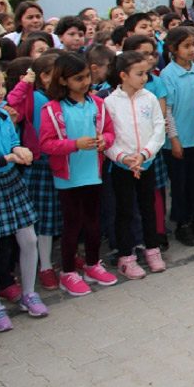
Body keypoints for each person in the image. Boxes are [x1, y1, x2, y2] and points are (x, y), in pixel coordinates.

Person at [39, 53, 118, 296]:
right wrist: (74, 144)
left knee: (93, 223)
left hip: (93, 173)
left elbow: (109, 132)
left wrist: (103, 141)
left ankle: (93, 264)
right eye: (78, 78)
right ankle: (68, 272)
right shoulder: (52, 109)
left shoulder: (98, 104)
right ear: (62, 81)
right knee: (72, 225)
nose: (85, 82)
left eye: (86, 77)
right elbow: (46, 144)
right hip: (68, 177)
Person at [103, 51, 167, 279]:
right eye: (139, 74)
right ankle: (126, 257)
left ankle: (152, 249)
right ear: (123, 75)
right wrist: (123, 157)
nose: (144, 78)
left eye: (146, 73)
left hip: (146, 163)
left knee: (148, 208)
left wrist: (145, 154)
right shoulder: (109, 103)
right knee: (125, 212)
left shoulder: (148, 97)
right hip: (123, 167)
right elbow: (107, 137)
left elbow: (159, 128)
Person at [7, 55, 63, 290]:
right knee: (41, 219)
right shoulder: (37, 98)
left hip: (60, 160)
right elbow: (15, 105)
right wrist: (26, 83)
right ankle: (44, 266)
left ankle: (50, 262)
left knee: (54, 217)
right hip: (40, 163)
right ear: (44, 76)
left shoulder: (60, 98)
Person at [161, 26, 194, 246]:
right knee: (181, 185)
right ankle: (183, 223)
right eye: (187, 46)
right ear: (173, 48)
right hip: (180, 141)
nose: (193, 49)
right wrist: (174, 139)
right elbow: (167, 111)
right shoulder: (167, 75)